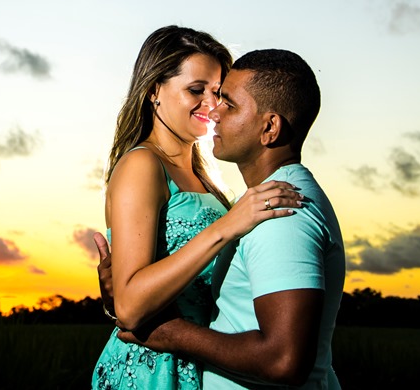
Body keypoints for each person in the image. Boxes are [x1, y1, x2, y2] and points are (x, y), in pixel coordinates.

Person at [101, 49, 346, 389]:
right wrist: (123, 295)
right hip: (153, 370)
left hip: (181, 356)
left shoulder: (276, 207)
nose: (213, 109)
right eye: (196, 90)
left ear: (270, 127)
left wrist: (164, 328)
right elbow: (133, 302)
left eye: (223, 98)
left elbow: (283, 358)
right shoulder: (146, 165)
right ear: (154, 90)